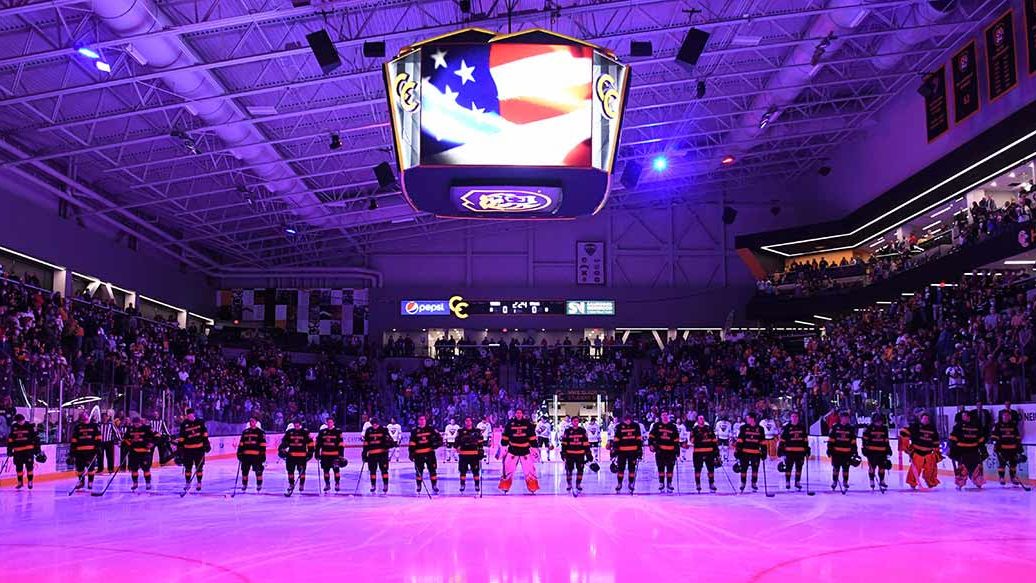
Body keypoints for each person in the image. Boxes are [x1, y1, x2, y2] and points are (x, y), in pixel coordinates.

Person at [498, 408, 538, 493]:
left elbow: (532, 436)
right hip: (513, 450)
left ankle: (532, 487)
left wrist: (534, 447)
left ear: (522, 414)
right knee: (508, 469)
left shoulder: (528, 423)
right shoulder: (510, 423)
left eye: (520, 413)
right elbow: (505, 436)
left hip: (525, 450)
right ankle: (505, 487)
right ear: (515, 414)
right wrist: (503, 446)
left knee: (529, 470)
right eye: (517, 413)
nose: (518, 414)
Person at [900, 412, 941, 490]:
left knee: (931, 469)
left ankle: (930, 482)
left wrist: (937, 451)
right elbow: (904, 431)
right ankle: (912, 483)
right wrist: (905, 443)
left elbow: (936, 440)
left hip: (929, 453)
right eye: (924, 418)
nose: (925, 420)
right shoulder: (915, 427)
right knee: (915, 469)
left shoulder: (932, 428)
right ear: (921, 419)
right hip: (917, 452)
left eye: (927, 419)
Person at [949, 410, 985, 490]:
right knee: (962, 468)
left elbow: (981, 439)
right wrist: (952, 448)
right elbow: (952, 438)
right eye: (962, 416)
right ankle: (960, 483)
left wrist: (983, 449)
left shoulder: (976, 426)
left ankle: (978, 481)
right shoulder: (958, 426)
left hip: (974, 451)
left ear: (968, 416)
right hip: (962, 451)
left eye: (965, 416)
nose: (963, 417)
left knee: (976, 467)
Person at [176, 408, 211, 491]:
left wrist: (206, 443)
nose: (189, 416)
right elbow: (181, 437)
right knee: (188, 468)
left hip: (199, 449)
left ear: (193, 414)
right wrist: (180, 447)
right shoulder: (184, 424)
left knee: (199, 468)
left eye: (191, 415)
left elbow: (205, 434)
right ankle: (188, 482)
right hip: (188, 450)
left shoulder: (200, 422)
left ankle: (199, 482)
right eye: (188, 415)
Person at [408, 415, 442, 494]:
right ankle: (419, 486)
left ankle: (434, 486)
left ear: (425, 420)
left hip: (430, 453)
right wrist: (411, 453)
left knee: (432, 470)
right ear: (418, 421)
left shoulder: (431, 429)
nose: (422, 421)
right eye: (420, 419)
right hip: (418, 454)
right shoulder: (414, 431)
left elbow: (439, 439)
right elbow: (411, 443)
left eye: (423, 419)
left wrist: (436, 444)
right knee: (419, 471)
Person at [610, 411, 643, 493]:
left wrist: (640, 451)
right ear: (624, 420)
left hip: (633, 452)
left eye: (629, 420)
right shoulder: (619, 426)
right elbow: (616, 439)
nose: (628, 421)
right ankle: (619, 483)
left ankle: (631, 483)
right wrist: (614, 451)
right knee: (621, 469)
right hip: (622, 452)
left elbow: (638, 439)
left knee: (632, 469)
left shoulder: (636, 426)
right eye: (626, 420)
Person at [648, 412, 681, 493]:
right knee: (661, 467)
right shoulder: (656, 425)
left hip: (671, 451)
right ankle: (661, 483)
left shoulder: (672, 426)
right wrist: (651, 445)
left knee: (670, 468)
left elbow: (676, 439)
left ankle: (669, 483)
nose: (665, 416)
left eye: (666, 415)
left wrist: (677, 450)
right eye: (663, 415)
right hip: (660, 451)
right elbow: (651, 436)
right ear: (661, 416)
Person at [121, 417, 156, 491]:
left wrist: (151, 444)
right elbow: (125, 439)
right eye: (135, 424)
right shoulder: (130, 429)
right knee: (134, 469)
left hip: (145, 452)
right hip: (134, 452)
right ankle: (135, 483)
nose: (136, 425)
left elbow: (155, 437)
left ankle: (148, 483)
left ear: (141, 422)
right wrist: (130, 444)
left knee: (146, 469)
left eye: (138, 423)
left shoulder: (146, 428)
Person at [279, 420, 313, 494]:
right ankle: (291, 484)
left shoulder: (305, 432)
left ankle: (301, 484)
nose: (296, 426)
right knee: (290, 471)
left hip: (302, 456)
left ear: (300, 424)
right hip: (291, 456)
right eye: (295, 425)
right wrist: (282, 450)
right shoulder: (289, 432)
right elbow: (284, 442)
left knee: (302, 472)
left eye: (298, 425)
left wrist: (310, 453)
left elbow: (310, 443)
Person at [778, 411, 809, 491]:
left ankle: (797, 482)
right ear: (790, 418)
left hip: (800, 452)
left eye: (796, 417)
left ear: (798, 418)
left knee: (799, 468)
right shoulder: (787, 427)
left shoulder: (802, 427)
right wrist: (780, 449)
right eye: (793, 417)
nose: (794, 418)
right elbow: (782, 440)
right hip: (789, 451)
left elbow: (805, 440)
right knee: (789, 468)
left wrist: (807, 449)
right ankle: (787, 481)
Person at [734, 412, 765, 492]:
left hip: (756, 453)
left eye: (748, 418)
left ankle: (754, 483)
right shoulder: (743, 428)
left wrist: (764, 451)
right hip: (745, 453)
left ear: (752, 419)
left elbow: (762, 441)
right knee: (744, 469)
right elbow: (740, 440)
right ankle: (743, 483)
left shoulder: (760, 429)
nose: (747, 420)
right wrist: (738, 450)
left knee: (755, 469)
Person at [361, 416, 392, 494]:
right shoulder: (368, 430)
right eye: (373, 424)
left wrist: (390, 444)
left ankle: (385, 484)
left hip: (382, 454)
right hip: (372, 455)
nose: (374, 426)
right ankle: (373, 485)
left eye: (376, 424)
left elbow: (389, 440)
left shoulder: (384, 430)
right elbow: (366, 443)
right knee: (372, 471)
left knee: (384, 470)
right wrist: (364, 454)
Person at [69, 412, 100, 491]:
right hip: (79, 451)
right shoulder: (78, 427)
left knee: (91, 468)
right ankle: (81, 482)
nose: (84, 419)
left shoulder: (94, 426)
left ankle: (90, 482)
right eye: (82, 418)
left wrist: (98, 448)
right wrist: (72, 450)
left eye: (85, 417)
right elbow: (74, 439)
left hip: (90, 451)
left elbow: (98, 438)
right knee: (79, 469)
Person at [6, 414, 38, 490]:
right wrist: (9, 450)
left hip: (28, 450)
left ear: (24, 419)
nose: (20, 422)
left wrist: (37, 449)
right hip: (17, 451)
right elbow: (10, 439)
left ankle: (30, 481)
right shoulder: (14, 427)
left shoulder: (29, 426)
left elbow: (36, 438)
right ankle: (20, 482)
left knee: (29, 467)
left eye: (21, 420)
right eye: (19, 421)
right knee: (19, 468)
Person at [861, 413, 892, 491]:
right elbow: (864, 440)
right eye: (877, 421)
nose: (879, 423)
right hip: (871, 452)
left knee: (882, 467)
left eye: (880, 421)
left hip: (882, 451)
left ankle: (882, 480)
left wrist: (888, 449)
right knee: (872, 468)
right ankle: (871, 480)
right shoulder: (868, 428)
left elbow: (886, 440)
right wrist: (864, 449)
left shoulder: (884, 428)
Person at [991, 409, 1022, 486]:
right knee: (1002, 465)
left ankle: (1013, 477)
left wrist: (1019, 446)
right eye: (1004, 416)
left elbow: (1017, 437)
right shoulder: (998, 425)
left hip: (1013, 449)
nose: (1006, 417)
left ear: (1010, 417)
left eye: (1007, 416)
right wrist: (995, 445)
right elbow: (993, 437)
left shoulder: (1013, 425)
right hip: (1002, 449)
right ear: (1002, 416)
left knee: (1013, 464)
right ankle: (1001, 477)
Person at [827, 411, 857, 490]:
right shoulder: (835, 427)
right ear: (841, 418)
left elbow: (853, 441)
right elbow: (831, 439)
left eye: (847, 418)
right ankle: (834, 481)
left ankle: (845, 481)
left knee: (846, 469)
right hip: (836, 453)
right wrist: (829, 449)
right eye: (844, 418)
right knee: (836, 468)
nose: (846, 419)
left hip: (847, 453)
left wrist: (855, 452)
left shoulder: (851, 428)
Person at [560, 416, 591, 492]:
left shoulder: (582, 431)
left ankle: (578, 484)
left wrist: (588, 454)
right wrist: (563, 453)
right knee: (569, 470)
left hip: (580, 454)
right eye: (574, 421)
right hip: (569, 454)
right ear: (571, 422)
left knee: (580, 470)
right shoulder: (567, 431)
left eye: (577, 421)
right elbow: (564, 443)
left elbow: (586, 443)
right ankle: (569, 484)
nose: (576, 422)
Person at [317, 417, 347, 493]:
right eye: (328, 422)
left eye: (331, 422)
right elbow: (318, 444)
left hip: (335, 455)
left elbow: (341, 444)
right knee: (325, 471)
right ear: (326, 423)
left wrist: (341, 455)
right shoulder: (322, 432)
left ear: (333, 422)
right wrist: (316, 453)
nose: (329, 423)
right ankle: (327, 484)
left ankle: (337, 483)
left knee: (336, 470)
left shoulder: (337, 431)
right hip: (325, 455)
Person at [237, 417, 267, 492]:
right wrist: (239, 452)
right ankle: (244, 485)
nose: (251, 422)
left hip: (256, 457)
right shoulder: (245, 432)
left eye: (253, 421)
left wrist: (262, 455)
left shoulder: (260, 432)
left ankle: (259, 484)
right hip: (246, 456)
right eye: (250, 421)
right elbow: (241, 443)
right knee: (244, 471)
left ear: (256, 422)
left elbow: (263, 444)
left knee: (258, 471)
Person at [456, 417, 485, 493]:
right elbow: (456, 442)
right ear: (465, 422)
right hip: (463, 454)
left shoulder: (477, 431)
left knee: (476, 471)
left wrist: (481, 451)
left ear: (472, 422)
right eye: (466, 421)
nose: (468, 422)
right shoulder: (460, 431)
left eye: (469, 420)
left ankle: (477, 485)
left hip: (474, 455)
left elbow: (481, 441)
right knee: (462, 471)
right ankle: (462, 485)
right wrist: (457, 447)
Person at [690, 414, 718, 492]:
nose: (702, 420)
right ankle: (698, 484)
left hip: (709, 452)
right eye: (700, 418)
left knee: (711, 469)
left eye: (703, 418)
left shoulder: (709, 428)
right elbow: (691, 440)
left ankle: (711, 483)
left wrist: (716, 452)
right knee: (698, 469)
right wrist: (697, 437)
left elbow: (714, 441)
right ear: (697, 420)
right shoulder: (694, 429)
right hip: (698, 453)